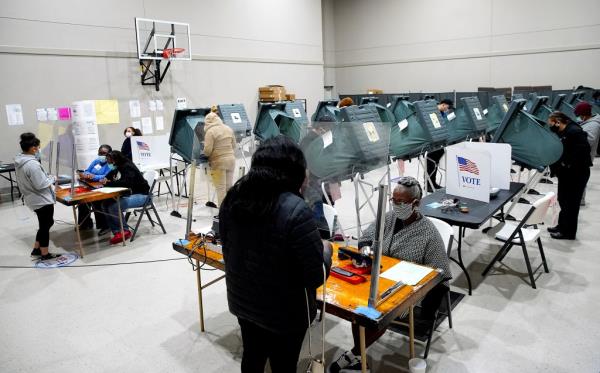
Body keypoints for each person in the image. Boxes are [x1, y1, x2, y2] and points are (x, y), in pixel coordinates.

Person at [219, 136, 332, 373]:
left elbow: (228, 248)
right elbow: (315, 276)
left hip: (243, 302)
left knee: (252, 357)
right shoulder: (296, 209)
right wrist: (326, 250)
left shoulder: (234, 197)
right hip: (285, 314)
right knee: (283, 365)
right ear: (293, 170)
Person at [330, 176, 451, 372]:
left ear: (416, 203)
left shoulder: (428, 233)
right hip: (377, 278)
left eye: (400, 202)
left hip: (405, 289)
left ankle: (353, 354)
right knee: (358, 309)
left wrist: (427, 311)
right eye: (393, 200)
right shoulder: (388, 218)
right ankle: (358, 355)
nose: (395, 205)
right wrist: (366, 251)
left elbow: (440, 274)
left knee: (379, 311)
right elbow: (367, 237)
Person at [14, 133, 60, 260]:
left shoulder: (20, 160)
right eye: (38, 148)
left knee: (46, 223)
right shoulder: (32, 164)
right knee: (45, 226)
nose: (39, 150)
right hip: (41, 199)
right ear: (33, 148)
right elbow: (41, 184)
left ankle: (36, 248)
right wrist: (52, 178)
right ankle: (45, 254)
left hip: (32, 197)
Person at [547, 111, 592, 240]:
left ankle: (568, 233)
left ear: (558, 121)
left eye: (552, 124)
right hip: (567, 173)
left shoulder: (575, 132)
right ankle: (561, 226)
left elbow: (583, 152)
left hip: (577, 174)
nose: (551, 126)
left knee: (571, 204)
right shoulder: (564, 131)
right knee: (563, 200)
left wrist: (566, 163)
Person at [100, 151, 150, 244]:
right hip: (132, 194)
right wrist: (105, 178)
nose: (108, 163)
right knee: (104, 204)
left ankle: (125, 231)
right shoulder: (119, 166)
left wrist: (108, 183)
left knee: (114, 206)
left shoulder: (127, 167)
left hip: (143, 196)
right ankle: (116, 231)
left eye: (110, 161)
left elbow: (126, 183)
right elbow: (111, 174)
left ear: (115, 159)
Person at [300, 116, 337, 239]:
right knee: (320, 212)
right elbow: (306, 167)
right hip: (315, 184)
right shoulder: (308, 141)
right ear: (321, 129)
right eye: (330, 131)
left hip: (325, 181)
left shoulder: (320, 139)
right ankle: (323, 235)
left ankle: (328, 231)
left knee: (328, 208)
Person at [203, 109, 236, 206]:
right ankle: (229, 210)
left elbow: (208, 151)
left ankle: (222, 213)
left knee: (220, 188)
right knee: (229, 187)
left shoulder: (210, 132)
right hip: (231, 160)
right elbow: (234, 145)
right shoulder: (228, 128)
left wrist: (204, 152)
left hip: (218, 163)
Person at [77, 144, 112, 231]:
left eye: (104, 153)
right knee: (82, 201)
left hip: (103, 187)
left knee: (97, 201)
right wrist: (87, 175)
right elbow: (87, 171)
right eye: (100, 153)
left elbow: (108, 176)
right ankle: (85, 223)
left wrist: (94, 177)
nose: (101, 155)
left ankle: (104, 226)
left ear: (109, 154)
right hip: (90, 185)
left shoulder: (111, 163)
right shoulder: (96, 161)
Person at [574, 102, 600, 205]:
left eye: (579, 115)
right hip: (582, 156)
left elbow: (588, 140)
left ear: (584, 115)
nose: (579, 118)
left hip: (584, 157)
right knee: (578, 178)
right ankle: (579, 199)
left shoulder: (593, 125)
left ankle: (580, 200)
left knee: (579, 179)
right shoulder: (589, 122)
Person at [426, 99, 453, 191]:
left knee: (435, 163)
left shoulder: (442, 113)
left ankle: (433, 183)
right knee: (430, 164)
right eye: (447, 108)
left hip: (439, 141)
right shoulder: (433, 111)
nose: (447, 110)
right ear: (444, 105)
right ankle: (428, 184)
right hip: (431, 142)